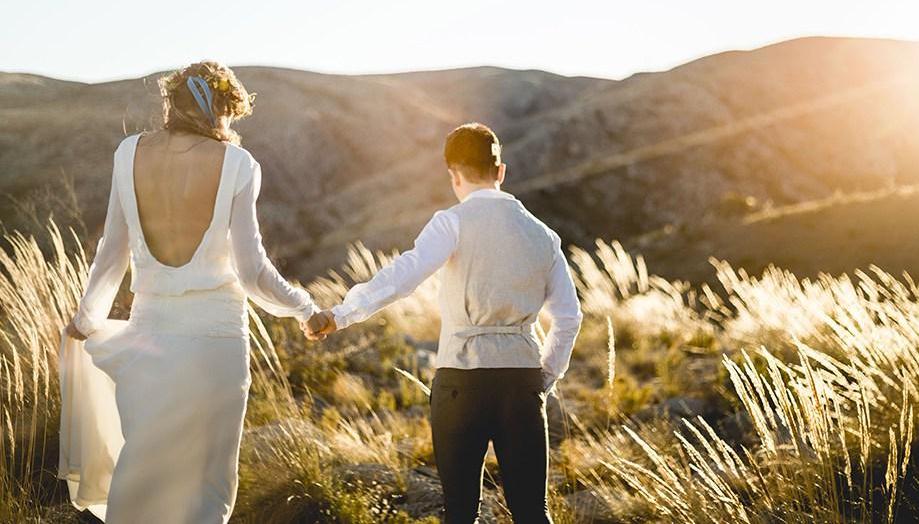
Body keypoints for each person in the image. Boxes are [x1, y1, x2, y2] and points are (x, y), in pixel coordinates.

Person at [59, 61, 330, 523]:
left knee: (142, 476)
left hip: (150, 341)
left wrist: (84, 323)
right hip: (216, 347)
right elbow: (252, 273)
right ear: (221, 110)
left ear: (171, 102)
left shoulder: (127, 154)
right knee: (205, 492)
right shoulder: (239, 164)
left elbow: (112, 254)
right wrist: (305, 308)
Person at [307, 123, 584, 523]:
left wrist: (339, 314)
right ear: (500, 171)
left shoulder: (451, 222)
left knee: (460, 513)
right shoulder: (543, 235)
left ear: (453, 175)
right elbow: (569, 317)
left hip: (461, 380)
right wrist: (544, 378)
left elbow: (403, 277)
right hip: (521, 381)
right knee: (532, 512)